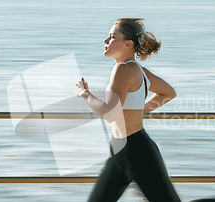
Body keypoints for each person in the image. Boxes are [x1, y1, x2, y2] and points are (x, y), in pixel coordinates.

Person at [74, 18, 180, 202]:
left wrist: (85, 94)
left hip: (135, 151)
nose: (105, 41)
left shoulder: (122, 69)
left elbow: (109, 113)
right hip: (125, 149)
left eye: (112, 37)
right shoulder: (140, 70)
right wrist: (140, 111)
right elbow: (168, 93)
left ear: (128, 43)